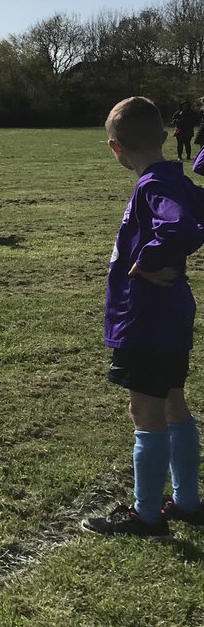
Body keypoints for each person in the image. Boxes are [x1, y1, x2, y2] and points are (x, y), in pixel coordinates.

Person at [82, 96, 204, 538]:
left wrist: (149, 260)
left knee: (145, 410)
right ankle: (188, 503)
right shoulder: (173, 176)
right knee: (174, 401)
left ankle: (147, 516)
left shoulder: (153, 185)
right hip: (171, 314)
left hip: (146, 319)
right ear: (167, 135)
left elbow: (179, 227)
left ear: (116, 147)